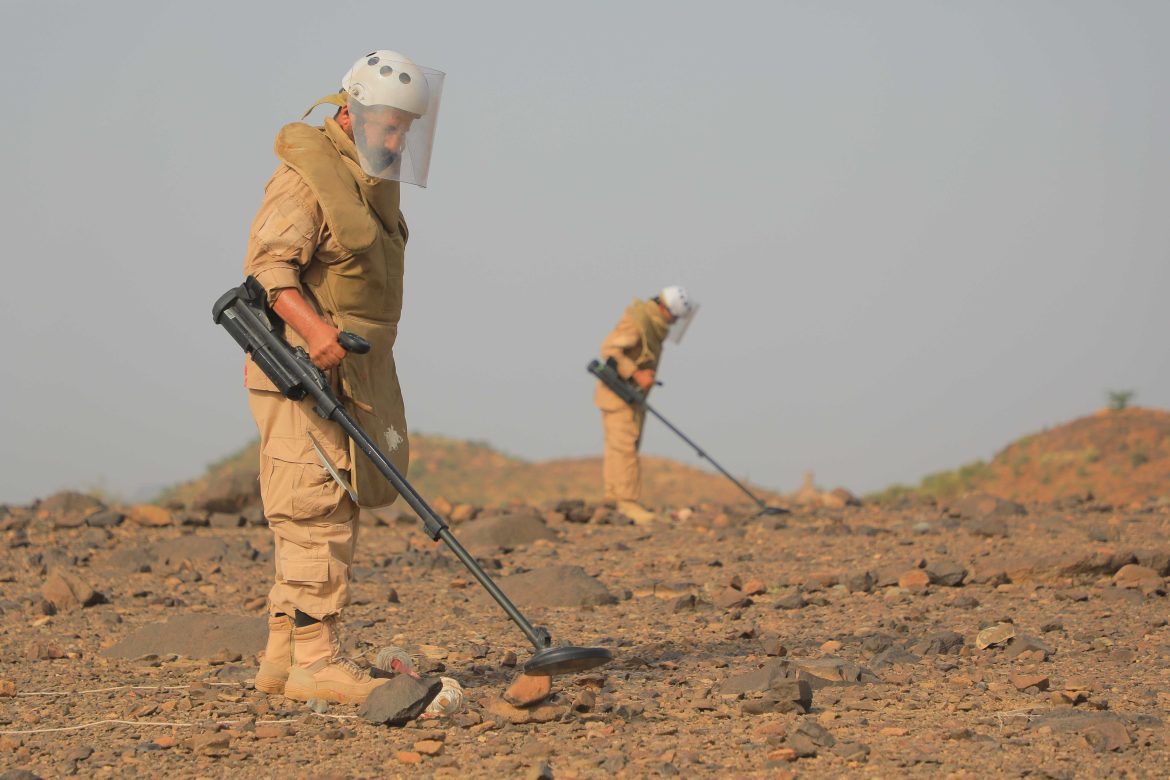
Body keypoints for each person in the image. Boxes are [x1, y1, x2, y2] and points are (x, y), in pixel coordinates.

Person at [241, 50, 443, 705]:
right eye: (389, 124)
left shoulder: (366, 182)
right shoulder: (307, 178)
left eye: (406, 128)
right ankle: (317, 663)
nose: (398, 138)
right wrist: (318, 331)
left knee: (323, 508)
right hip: (302, 373)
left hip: (351, 371)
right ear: (349, 114)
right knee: (315, 510)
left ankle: (281, 661)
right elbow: (271, 269)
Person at [593, 287, 697, 524]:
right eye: (674, 317)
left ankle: (613, 500)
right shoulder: (638, 321)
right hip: (618, 394)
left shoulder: (652, 324)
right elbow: (609, 349)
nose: (674, 323)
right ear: (664, 308)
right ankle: (626, 502)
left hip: (630, 396)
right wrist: (636, 374)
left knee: (619, 447)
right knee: (624, 447)